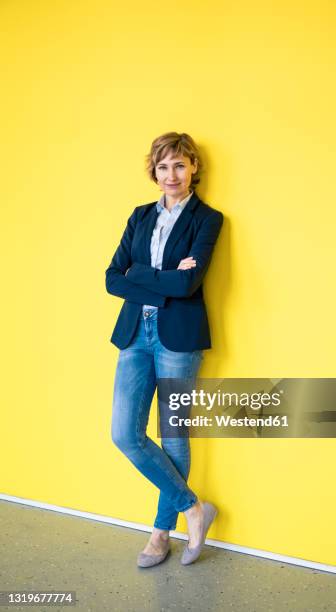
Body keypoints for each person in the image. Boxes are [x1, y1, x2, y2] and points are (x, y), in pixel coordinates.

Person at [105, 132, 223, 567]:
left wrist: (143, 275)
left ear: (193, 167)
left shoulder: (208, 219)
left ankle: (160, 533)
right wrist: (163, 276)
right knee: (125, 434)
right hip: (136, 333)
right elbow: (112, 278)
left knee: (173, 435)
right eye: (162, 167)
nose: (170, 175)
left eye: (179, 165)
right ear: (153, 171)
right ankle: (194, 508)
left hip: (179, 336)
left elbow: (188, 283)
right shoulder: (138, 216)